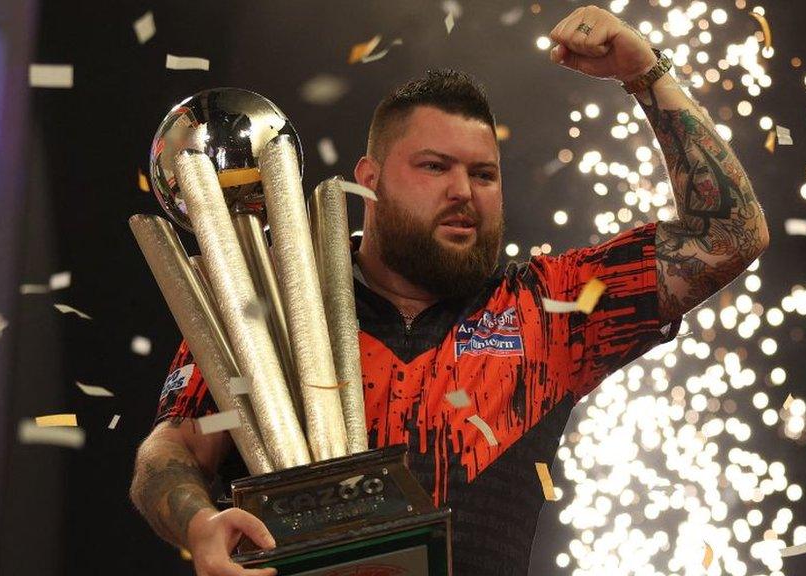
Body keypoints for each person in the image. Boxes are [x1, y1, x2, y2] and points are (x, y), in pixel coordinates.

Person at [129, 5, 769, 576]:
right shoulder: (267, 303)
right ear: (369, 178)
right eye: (435, 167)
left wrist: (645, 71)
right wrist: (197, 523)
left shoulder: (552, 308)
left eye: (484, 173)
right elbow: (175, 446)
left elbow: (728, 236)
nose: (464, 191)